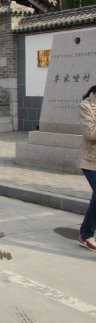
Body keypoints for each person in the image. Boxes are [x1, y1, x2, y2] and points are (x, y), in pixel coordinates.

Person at [78, 85, 96, 251]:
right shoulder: (86, 106)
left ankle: (86, 233)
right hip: (91, 161)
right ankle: (86, 235)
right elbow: (90, 133)